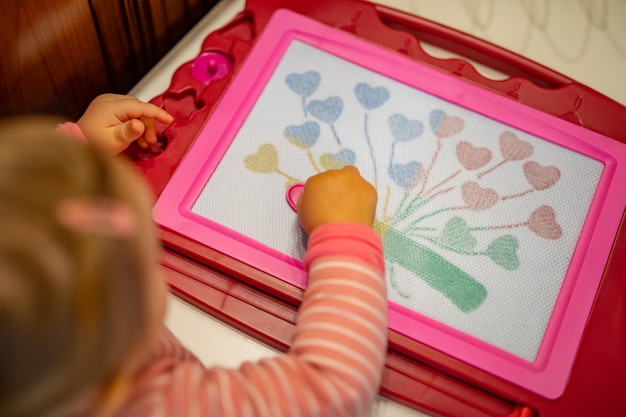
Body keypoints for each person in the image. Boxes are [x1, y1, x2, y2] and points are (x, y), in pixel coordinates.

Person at [0, 94, 388, 417]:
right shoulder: (155, 405)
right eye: (145, 257)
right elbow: (332, 386)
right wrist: (344, 234)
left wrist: (75, 145)